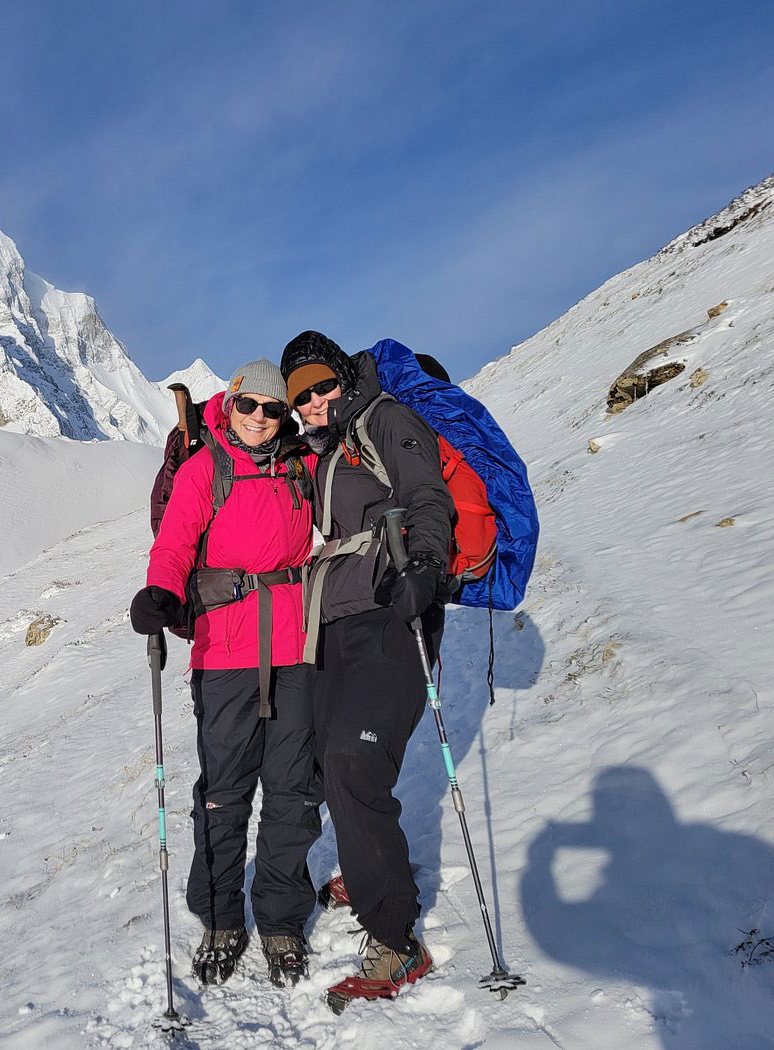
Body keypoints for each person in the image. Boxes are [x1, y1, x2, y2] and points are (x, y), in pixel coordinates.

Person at [130, 358, 320, 987]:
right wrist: (158, 592)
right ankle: (220, 918)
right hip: (225, 652)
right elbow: (176, 543)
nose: (262, 419)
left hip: (296, 649)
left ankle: (283, 922)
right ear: (231, 405)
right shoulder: (203, 469)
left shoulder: (299, 467)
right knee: (223, 795)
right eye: (251, 406)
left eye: (274, 410)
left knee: (293, 793)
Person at [280, 330, 455, 1009]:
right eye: (303, 398)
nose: (314, 402)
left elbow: (426, 494)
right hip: (333, 621)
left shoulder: (383, 417)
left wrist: (428, 568)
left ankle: (396, 939)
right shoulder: (325, 446)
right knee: (327, 758)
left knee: (356, 759)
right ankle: (366, 861)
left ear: (344, 377)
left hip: (391, 606)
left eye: (322, 386)